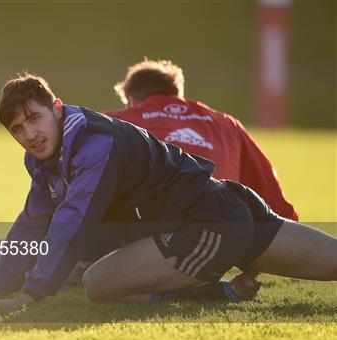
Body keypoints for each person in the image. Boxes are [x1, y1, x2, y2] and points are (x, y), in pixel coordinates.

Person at [0, 74, 335, 311]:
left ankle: (214, 293)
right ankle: (219, 289)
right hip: (225, 205)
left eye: (34, 118)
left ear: (56, 109)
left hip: (209, 224)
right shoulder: (44, 159)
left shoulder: (94, 142)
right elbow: (32, 221)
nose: (29, 134)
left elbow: (73, 219)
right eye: (18, 130)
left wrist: (32, 294)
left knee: (98, 281)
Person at [105, 59, 298, 220]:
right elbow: (272, 197)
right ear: (177, 94)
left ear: (130, 99)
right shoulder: (226, 123)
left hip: (152, 233)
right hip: (225, 231)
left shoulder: (113, 121)